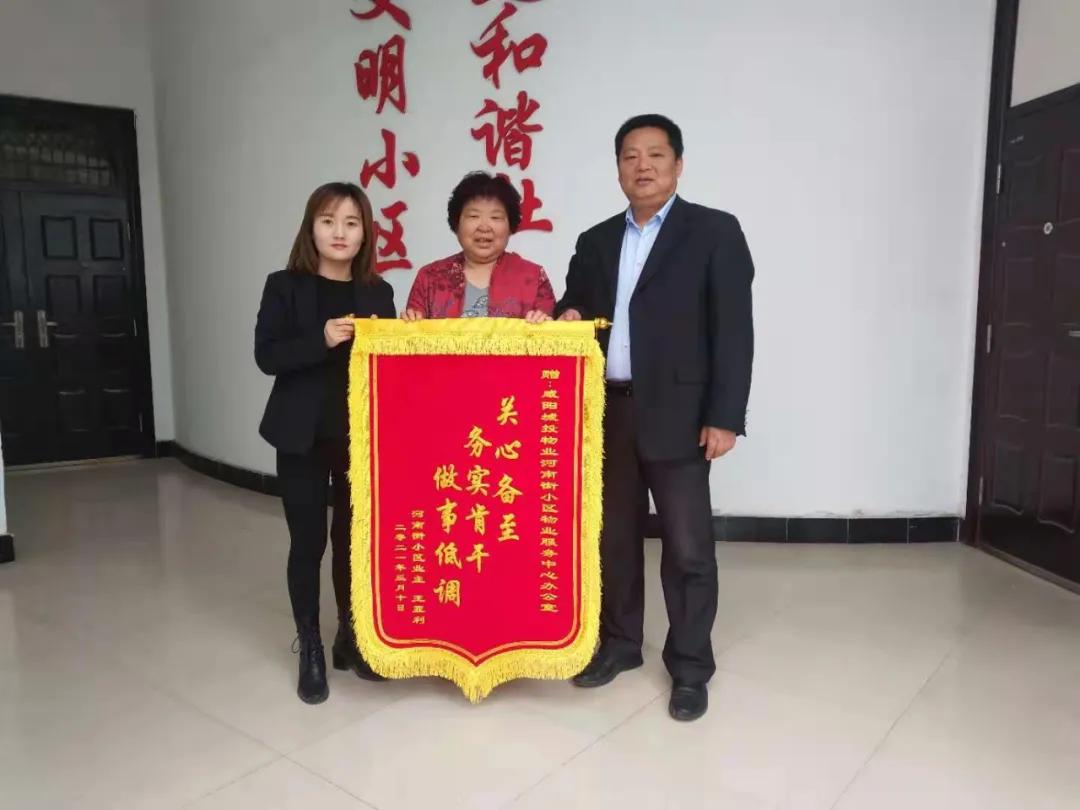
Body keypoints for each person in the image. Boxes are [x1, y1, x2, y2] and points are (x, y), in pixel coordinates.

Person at [555, 115, 755, 721]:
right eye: (630, 156)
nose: (642, 166)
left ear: (678, 164)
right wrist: (568, 314)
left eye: (656, 155)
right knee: (612, 539)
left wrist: (725, 416)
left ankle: (690, 666)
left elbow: (734, 330)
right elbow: (574, 304)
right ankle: (620, 643)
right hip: (606, 412)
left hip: (681, 414)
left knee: (688, 548)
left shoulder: (714, 232)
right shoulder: (595, 240)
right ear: (618, 167)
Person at [254, 182, 396, 703]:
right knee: (308, 541)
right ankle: (310, 645)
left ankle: (350, 635)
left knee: (355, 540)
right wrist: (322, 339)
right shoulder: (284, 286)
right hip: (301, 435)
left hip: (360, 435)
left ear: (365, 234)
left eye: (352, 223)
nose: (340, 232)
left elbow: (392, 364)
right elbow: (267, 356)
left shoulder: (379, 292)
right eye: (329, 221)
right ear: (311, 228)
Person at [402, 171, 554, 323]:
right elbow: (410, 334)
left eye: (495, 217)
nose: (484, 227)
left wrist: (544, 324)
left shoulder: (533, 277)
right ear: (457, 223)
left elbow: (554, 334)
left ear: (510, 226)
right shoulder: (430, 277)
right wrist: (410, 321)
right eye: (474, 216)